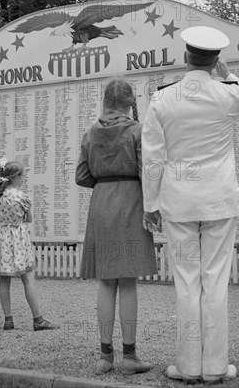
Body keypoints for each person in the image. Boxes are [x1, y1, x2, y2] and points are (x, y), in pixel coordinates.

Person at [141, 26, 239, 383]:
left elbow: (152, 155)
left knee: (186, 283)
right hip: (219, 200)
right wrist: (229, 76)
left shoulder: (163, 98)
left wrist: (151, 202)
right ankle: (214, 367)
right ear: (215, 61)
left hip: (178, 201)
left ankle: (187, 366)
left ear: (185, 57)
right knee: (215, 282)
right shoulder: (226, 93)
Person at [76, 79, 158, 376]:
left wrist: (105, 176)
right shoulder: (137, 130)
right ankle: (130, 356)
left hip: (101, 203)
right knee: (128, 281)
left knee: (106, 281)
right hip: (131, 202)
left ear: (105, 101)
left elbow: (82, 176)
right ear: (129, 101)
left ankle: (104, 355)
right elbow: (146, 172)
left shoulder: (90, 132)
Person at [0, 159, 57, 332]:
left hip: (2, 236)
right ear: (15, 177)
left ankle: (8, 320)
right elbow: (29, 219)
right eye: (22, 175)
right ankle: (37, 319)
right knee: (28, 278)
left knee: (5, 280)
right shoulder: (21, 197)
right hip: (18, 237)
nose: (24, 178)